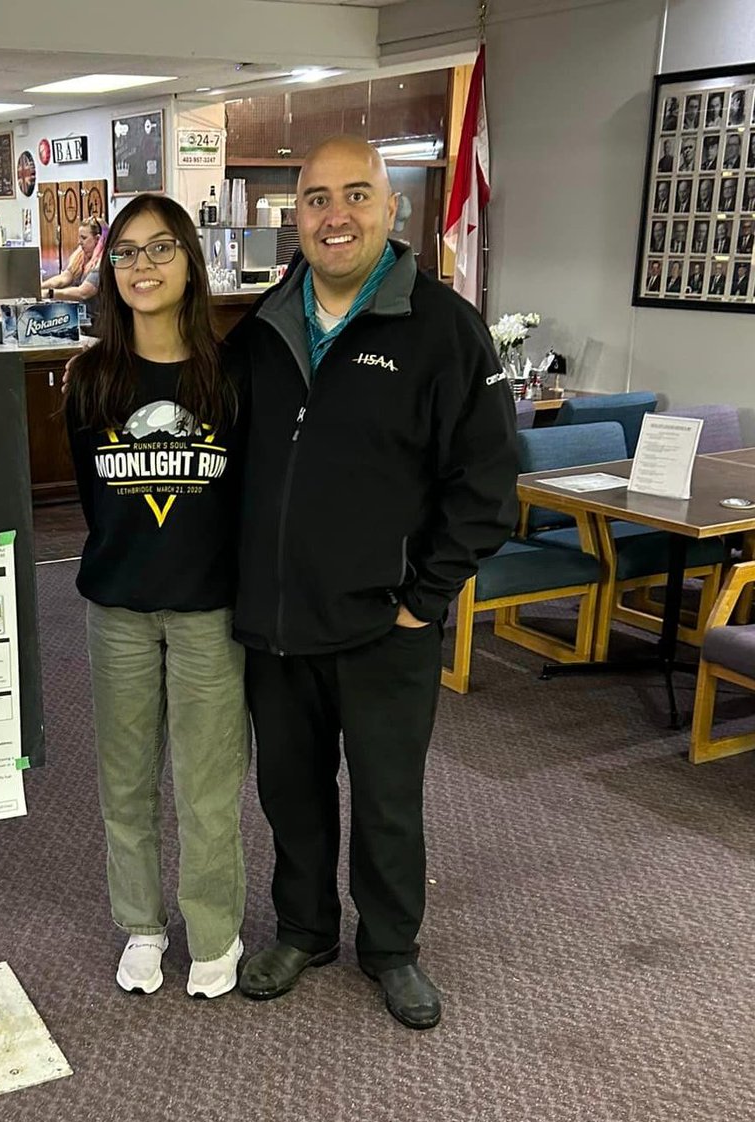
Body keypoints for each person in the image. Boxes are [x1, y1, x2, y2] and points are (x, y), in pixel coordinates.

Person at [227, 136, 517, 1030]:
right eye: (317, 199)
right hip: (277, 621)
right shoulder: (264, 327)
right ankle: (306, 929)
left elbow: (487, 486)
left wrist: (420, 599)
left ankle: (391, 948)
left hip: (387, 624)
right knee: (291, 792)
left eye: (357, 195)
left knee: (387, 798)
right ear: (297, 216)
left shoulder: (444, 329)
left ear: (393, 211)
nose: (335, 215)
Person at [64, 194, 249, 1000]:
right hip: (120, 611)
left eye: (161, 249)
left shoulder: (231, 375)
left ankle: (214, 931)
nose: (143, 266)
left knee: (209, 783)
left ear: (191, 263)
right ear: (110, 270)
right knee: (126, 779)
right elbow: (89, 500)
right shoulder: (90, 378)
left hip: (210, 611)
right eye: (127, 252)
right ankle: (141, 923)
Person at [41, 216, 106, 322]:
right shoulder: (80, 257)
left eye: (84, 238)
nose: (80, 242)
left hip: (99, 322)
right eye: (79, 238)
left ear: (97, 239)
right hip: (82, 318)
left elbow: (83, 293)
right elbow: (64, 278)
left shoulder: (102, 263)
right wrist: (39, 287)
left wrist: (51, 293)